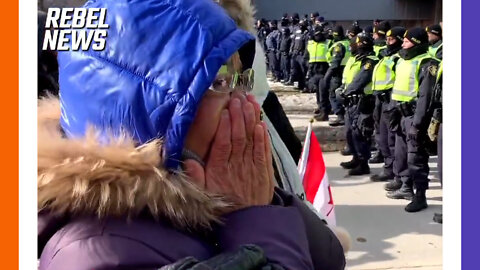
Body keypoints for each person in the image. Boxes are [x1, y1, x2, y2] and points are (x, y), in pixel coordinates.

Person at [38, 0, 348, 269]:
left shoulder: (215, 188)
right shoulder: (99, 248)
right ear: (143, 111)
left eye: (242, 79)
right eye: (219, 83)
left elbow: (329, 258)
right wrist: (254, 218)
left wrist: (261, 202)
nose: (245, 102)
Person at [386, 27, 440, 212]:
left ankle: (420, 196)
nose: (403, 44)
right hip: (400, 114)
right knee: (401, 155)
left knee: (416, 157)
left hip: (414, 116)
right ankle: (405, 187)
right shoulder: (402, 60)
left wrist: (418, 125)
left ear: (416, 43)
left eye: (407, 41)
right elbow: (397, 88)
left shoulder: (427, 63)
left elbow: (426, 98)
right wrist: (392, 112)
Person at [339, 34, 379, 175]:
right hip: (351, 102)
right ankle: (356, 158)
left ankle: (363, 163)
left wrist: (346, 91)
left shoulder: (370, 61)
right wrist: (342, 89)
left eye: (355, 45)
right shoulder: (355, 59)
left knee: (360, 133)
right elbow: (349, 79)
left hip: (362, 102)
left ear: (362, 45)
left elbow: (360, 80)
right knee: (350, 132)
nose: (352, 47)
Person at [370, 26, 406, 182]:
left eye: (391, 39)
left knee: (391, 139)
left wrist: (393, 102)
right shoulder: (386, 55)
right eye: (387, 39)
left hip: (391, 99)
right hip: (380, 100)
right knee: (381, 136)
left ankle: (394, 171)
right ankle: (388, 167)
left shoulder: (399, 58)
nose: (388, 42)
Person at [325, 25, 351, 127]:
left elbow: (335, 63)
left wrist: (327, 76)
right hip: (348, 71)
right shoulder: (348, 43)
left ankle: (340, 116)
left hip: (338, 72)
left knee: (333, 93)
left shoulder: (338, 45)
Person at [305, 25, 330, 120]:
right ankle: (321, 109)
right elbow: (306, 57)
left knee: (323, 93)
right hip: (314, 71)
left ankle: (325, 113)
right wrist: (309, 66)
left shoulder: (327, 43)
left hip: (324, 71)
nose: (318, 36)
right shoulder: (310, 43)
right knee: (318, 92)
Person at [286, 19, 309, 90]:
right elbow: (293, 42)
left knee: (303, 71)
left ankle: (304, 86)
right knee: (295, 70)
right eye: (300, 25)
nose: (301, 26)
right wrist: (291, 50)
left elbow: (307, 46)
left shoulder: (307, 33)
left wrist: (305, 55)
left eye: (302, 25)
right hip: (294, 54)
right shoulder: (297, 32)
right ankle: (297, 84)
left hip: (301, 54)